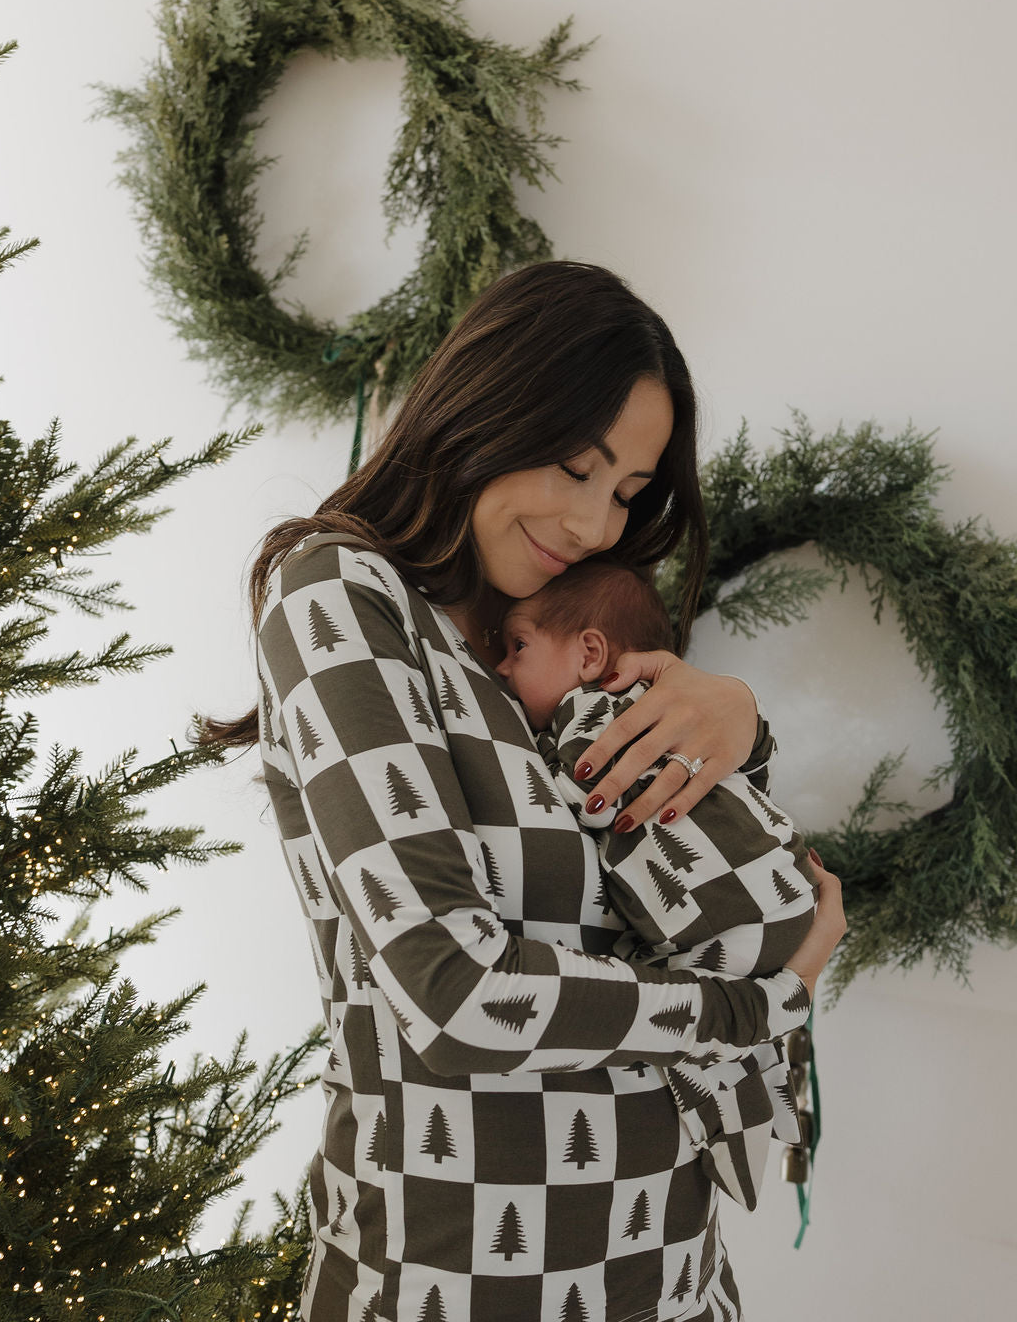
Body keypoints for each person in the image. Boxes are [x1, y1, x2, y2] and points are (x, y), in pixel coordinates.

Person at [199, 260, 846, 1322]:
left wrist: (738, 721)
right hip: (449, 1278)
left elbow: (693, 883)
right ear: (490, 407)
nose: (595, 524)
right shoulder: (342, 595)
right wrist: (762, 1008)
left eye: (627, 494)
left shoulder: (562, 650)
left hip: (672, 1273)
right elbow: (452, 991)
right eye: (576, 467)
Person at [494, 558, 820, 1211]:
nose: (501, 667)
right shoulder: (680, 716)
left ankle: (748, 1151)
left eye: (518, 646)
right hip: (783, 886)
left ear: (590, 653)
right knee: (766, 1052)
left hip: (728, 919)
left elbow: (560, 812)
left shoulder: (586, 722)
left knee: (710, 1055)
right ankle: (788, 1131)